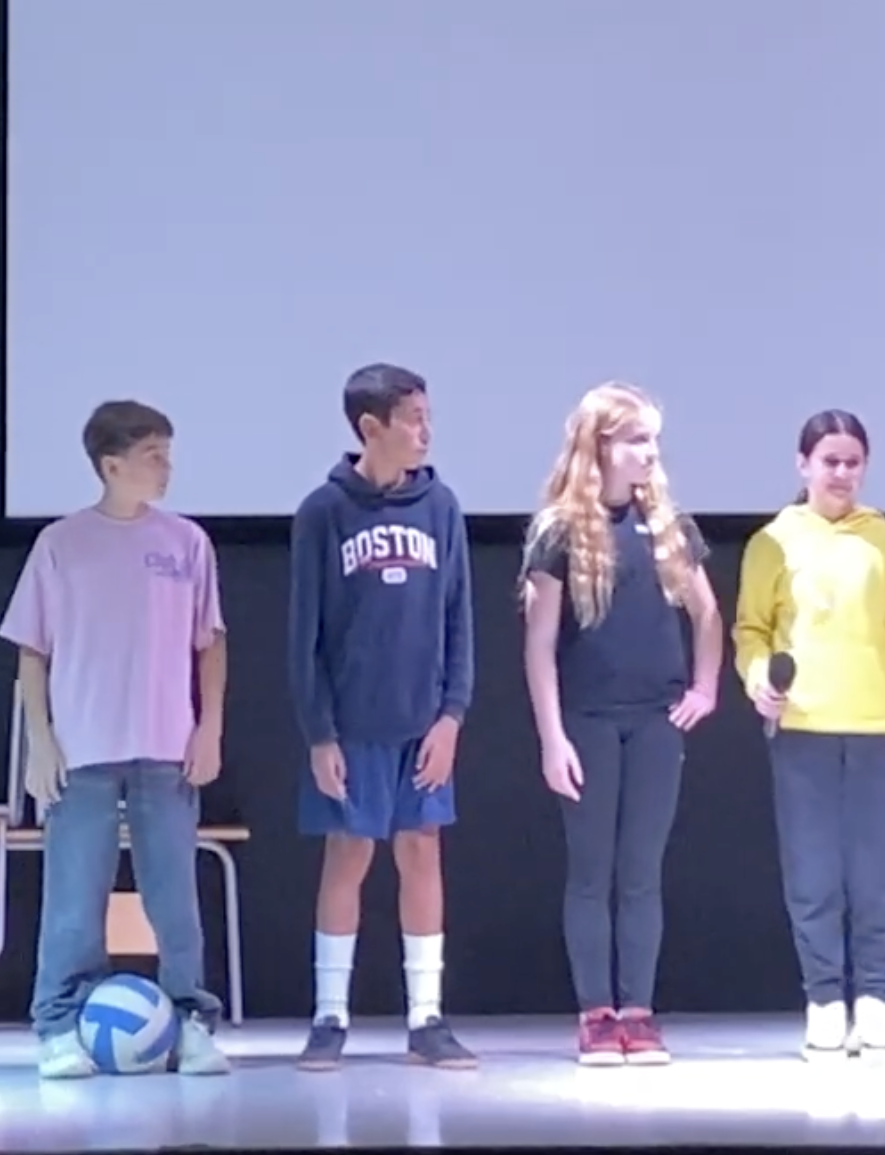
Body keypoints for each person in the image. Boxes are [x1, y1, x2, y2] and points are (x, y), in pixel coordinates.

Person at [0, 400, 231, 1080]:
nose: (166, 467)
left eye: (168, 453)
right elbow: (31, 652)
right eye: (153, 454)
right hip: (83, 751)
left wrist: (210, 726)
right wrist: (40, 742)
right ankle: (58, 1026)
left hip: (166, 750)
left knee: (175, 901)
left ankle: (192, 1021)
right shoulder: (60, 544)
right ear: (111, 465)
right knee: (75, 901)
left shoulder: (187, 543)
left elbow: (210, 642)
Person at [519, 382, 724, 1066]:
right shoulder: (558, 530)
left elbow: (707, 613)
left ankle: (638, 1009)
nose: (649, 453)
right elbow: (540, 644)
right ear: (601, 444)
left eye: (653, 440)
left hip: (655, 722)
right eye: (637, 439)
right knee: (590, 871)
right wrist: (552, 738)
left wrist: (704, 687)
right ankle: (596, 1013)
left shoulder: (668, 526)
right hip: (587, 721)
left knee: (641, 871)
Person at [287, 363, 476, 1072]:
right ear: (372, 427)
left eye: (429, 416)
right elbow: (303, 635)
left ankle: (426, 1016)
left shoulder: (441, 507)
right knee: (348, 853)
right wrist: (319, 733)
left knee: (422, 849)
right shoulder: (323, 512)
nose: (426, 431)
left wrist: (452, 716)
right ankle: (329, 1015)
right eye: (413, 418)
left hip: (422, 723)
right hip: (352, 725)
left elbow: (459, 619)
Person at [731, 409, 885, 1061]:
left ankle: (875, 999)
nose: (841, 473)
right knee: (812, 872)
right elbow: (749, 630)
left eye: (852, 462)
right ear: (803, 465)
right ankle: (823, 1000)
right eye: (829, 461)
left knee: (878, 875)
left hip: (877, 730)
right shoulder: (772, 541)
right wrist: (757, 677)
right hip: (802, 729)